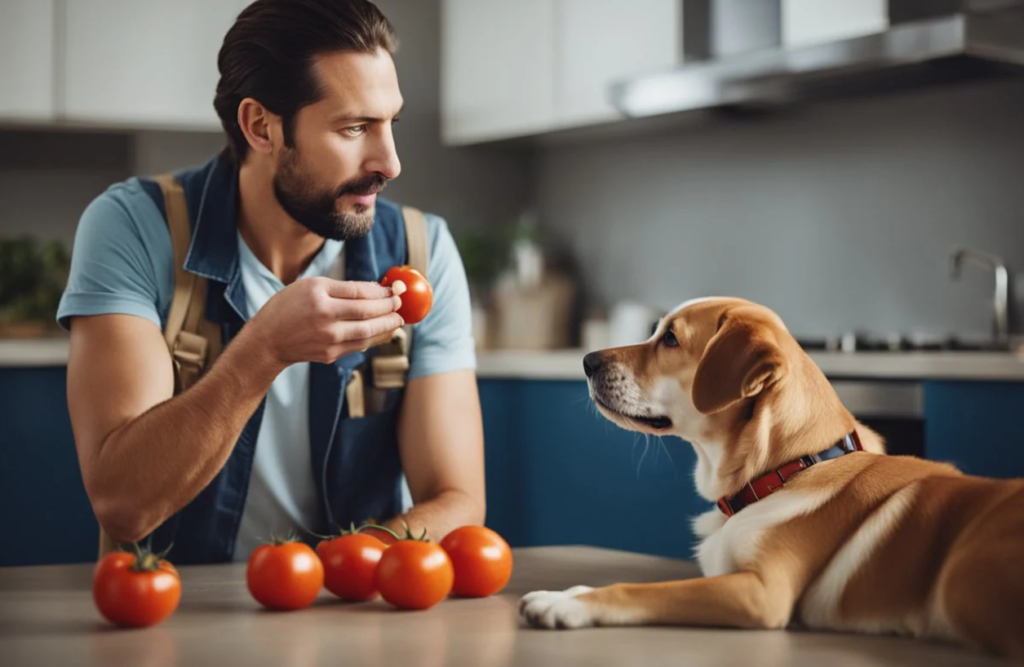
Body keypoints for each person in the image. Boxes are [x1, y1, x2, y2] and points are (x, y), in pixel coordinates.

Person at [57, 0, 485, 564]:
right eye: (355, 127)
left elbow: (456, 500)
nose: (390, 161)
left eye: (390, 124)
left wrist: (332, 569)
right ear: (261, 126)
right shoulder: (135, 227)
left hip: (353, 615)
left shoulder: (421, 250)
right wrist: (263, 350)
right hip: (175, 616)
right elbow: (122, 504)